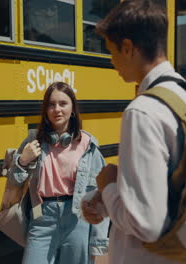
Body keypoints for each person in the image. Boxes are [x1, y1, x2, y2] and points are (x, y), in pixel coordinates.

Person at [80, 1, 186, 263]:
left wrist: (109, 185)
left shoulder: (143, 111)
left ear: (128, 48)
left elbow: (146, 223)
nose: (111, 62)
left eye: (112, 51)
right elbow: (170, 191)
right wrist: (105, 202)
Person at [8, 82, 109, 264]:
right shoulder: (34, 141)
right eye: (51, 104)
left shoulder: (88, 145)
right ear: (46, 110)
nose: (57, 109)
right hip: (42, 218)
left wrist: (98, 241)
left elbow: (100, 195)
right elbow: (13, 181)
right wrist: (23, 160)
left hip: (77, 218)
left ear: (73, 110)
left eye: (63, 104)